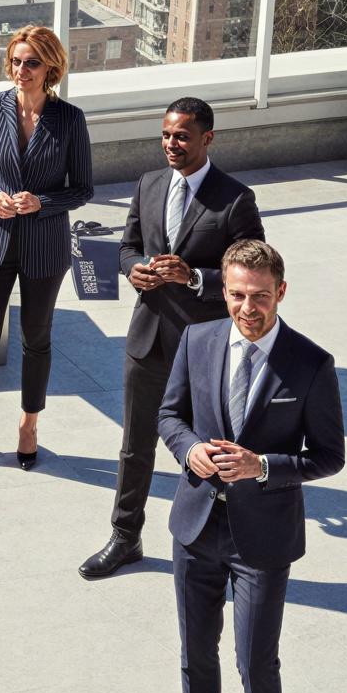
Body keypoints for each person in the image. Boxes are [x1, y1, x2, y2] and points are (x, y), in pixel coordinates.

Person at [156, 239, 344, 693]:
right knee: (195, 653)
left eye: (259, 296)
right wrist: (192, 453)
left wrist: (262, 466)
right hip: (195, 527)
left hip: (261, 541)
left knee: (254, 662)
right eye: (236, 294)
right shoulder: (198, 340)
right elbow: (169, 416)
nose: (246, 307)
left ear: (281, 292)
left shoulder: (311, 364)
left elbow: (329, 457)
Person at [83, 98, 265, 580]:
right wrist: (133, 271)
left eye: (182, 136)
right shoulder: (149, 184)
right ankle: (125, 537)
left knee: (213, 450)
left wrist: (196, 278)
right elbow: (126, 245)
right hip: (148, 339)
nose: (171, 144)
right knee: (135, 444)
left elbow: (252, 274)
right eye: (166, 135)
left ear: (208, 138)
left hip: (206, 347)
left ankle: (220, 548)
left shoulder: (236, 199)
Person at [0, 24, 94, 465]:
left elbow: (83, 188)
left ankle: (29, 423)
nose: (21, 70)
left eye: (31, 62)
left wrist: (42, 202)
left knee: (37, 338)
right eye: (15, 61)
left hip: (45, 246)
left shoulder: (70, 119)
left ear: (50, 67)